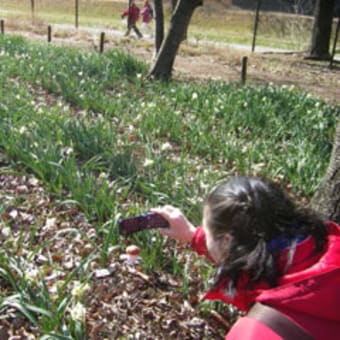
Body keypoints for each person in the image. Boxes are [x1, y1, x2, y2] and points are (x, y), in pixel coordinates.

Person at [151, 176, 340, 339]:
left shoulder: (254, 333)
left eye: (207, 232)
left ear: (227, 241)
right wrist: (194, 236)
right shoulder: (327, 247)